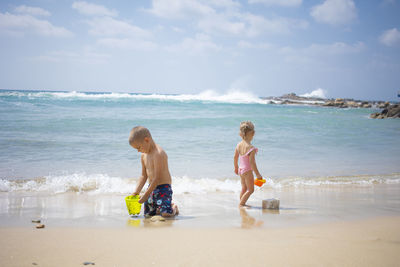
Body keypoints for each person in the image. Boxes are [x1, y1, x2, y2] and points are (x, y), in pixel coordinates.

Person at [129, 126, 178, 217]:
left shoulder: (158, 154)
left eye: (139, 147)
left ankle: (173, 208)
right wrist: (136, 192)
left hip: (164, 188)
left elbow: (157, 178)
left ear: (146, 140)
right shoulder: (143, 155)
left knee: (166, 214)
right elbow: (143, 176)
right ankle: (160, 207)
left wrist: (145, 195)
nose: (138, 151)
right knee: (148, 215)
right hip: (151, 188)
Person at [234, 121, 263, 207]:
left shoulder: (239, 145)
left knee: (244, 188)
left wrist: (236, 167)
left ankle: (242, 202)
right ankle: (242, 204)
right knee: (250, 190)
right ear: (253, 133)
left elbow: (235, 157)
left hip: (241, 170)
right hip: (247, 171)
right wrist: (258, 174)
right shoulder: (251, 148)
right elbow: (252, 163)